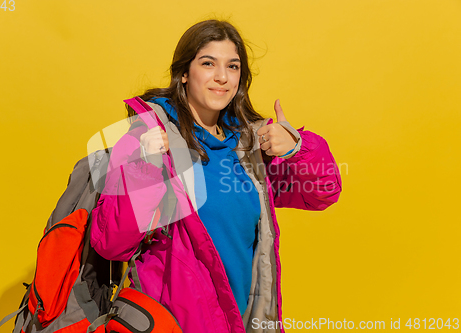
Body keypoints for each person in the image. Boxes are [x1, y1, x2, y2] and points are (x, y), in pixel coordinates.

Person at [89, 19, 342, 333]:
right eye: (208, 63)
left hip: (243, 321)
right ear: (184, 73)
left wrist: (297, 149)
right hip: (172, 323)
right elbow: (111, 243)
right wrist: (144, 168)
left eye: (232, 66)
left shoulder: (249, 146)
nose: (222, 77)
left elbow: (322, 192)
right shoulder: (150, 138)